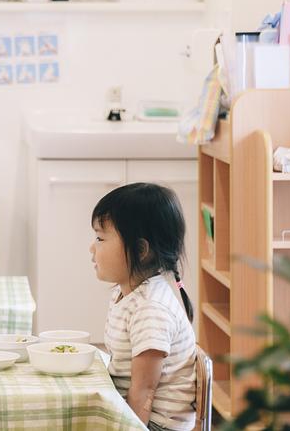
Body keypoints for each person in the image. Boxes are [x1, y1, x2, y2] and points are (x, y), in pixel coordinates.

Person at [89, 183, 197, 431]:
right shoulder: (127, 294)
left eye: (100, 238)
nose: (92, 248)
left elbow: (143, 392)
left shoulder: (151, 310)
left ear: (140, 250)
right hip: (136, 412)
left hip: (155, 425)